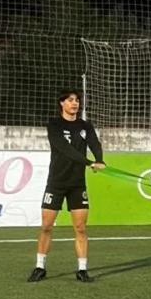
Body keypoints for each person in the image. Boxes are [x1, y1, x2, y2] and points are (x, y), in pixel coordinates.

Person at [28, 89, 105, 283]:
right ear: (62, 103)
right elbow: (64, 149)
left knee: (80, 228)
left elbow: (94, 143)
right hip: (56, 182)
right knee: (46, 226)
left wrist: (100, 159)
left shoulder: (85, 126)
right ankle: (40, 266)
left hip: (77, 184)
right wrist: (89, 163)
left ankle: (82, 269)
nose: (75, 103)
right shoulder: (54, 125)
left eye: (77, 100)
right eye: (70, 100)